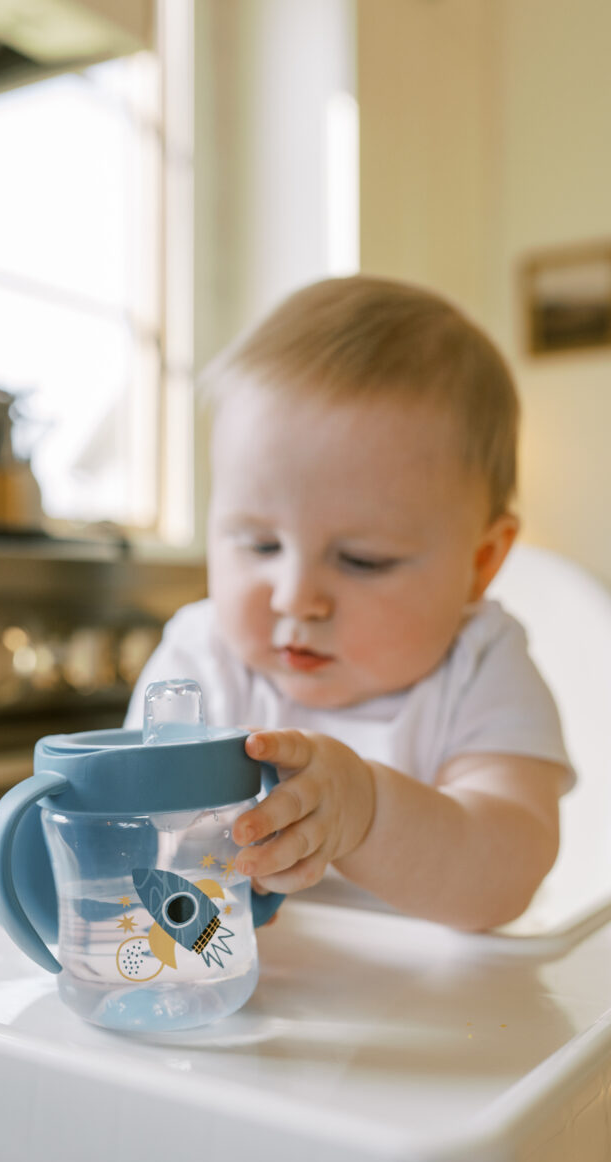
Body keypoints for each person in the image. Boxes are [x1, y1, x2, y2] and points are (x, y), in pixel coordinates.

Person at [125, 275, 575, 932]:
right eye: (259, 543)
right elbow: (138, 841)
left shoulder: (480, 665)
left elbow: (507, 877)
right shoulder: (200, 658)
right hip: (241, 988)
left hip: (441, 1012)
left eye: (363, 560)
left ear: (481, 562)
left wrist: (368, 813)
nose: (296, 597)